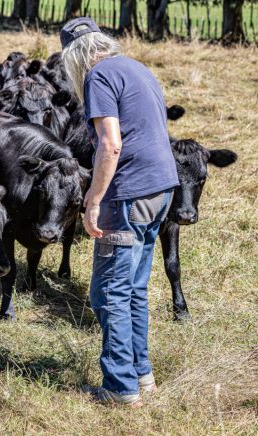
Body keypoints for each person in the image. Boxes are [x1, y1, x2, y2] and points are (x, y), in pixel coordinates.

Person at [60, 18, 179, 406]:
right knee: (134, 288)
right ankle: (142, 374)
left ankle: (119, 387)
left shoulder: (98, 77)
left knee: (108, 291)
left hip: (127, 196)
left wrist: (93, 198)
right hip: (161, 190)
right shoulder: (137, 68)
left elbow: (110, 145)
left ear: (76, 56)